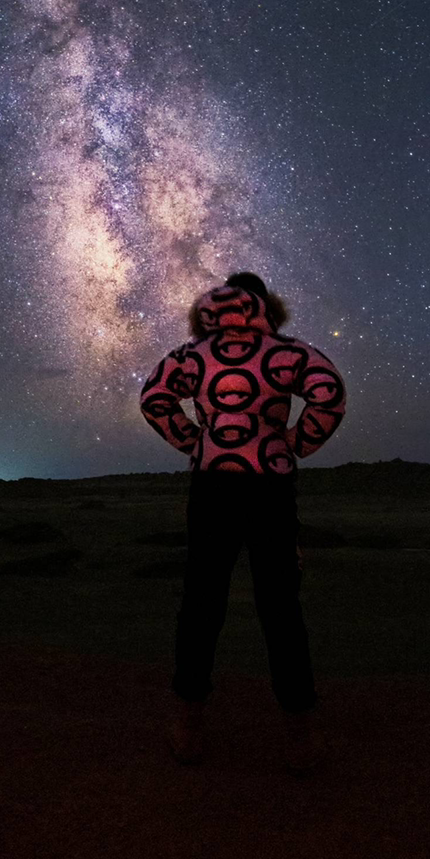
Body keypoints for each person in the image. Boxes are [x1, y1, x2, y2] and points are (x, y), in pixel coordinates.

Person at [139, 271, 346, 772]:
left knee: (201, 602)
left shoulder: (192, 355)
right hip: (270, 487)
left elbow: (153, 398)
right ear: (267, 306)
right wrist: (293, 443)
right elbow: (328, 392)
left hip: (212, 486)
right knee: (280, 607)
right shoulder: (290, 352)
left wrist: (196, 441)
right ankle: (301, 735)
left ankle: (188, 724)